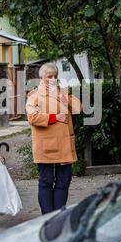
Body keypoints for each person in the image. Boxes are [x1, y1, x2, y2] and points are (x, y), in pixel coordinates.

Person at [26, 63, 82, 214]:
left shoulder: (62, 93)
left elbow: (77, 108)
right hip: (46, 146)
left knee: (64, 181)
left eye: (55, 76)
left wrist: (60, 95)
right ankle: (47, 216)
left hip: (64, 144)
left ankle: (58, 214)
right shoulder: (34, 95)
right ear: (41, 77)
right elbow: (33, 117)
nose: (52, 79)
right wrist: (55, 117)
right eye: (49, 76)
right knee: (46, 181)